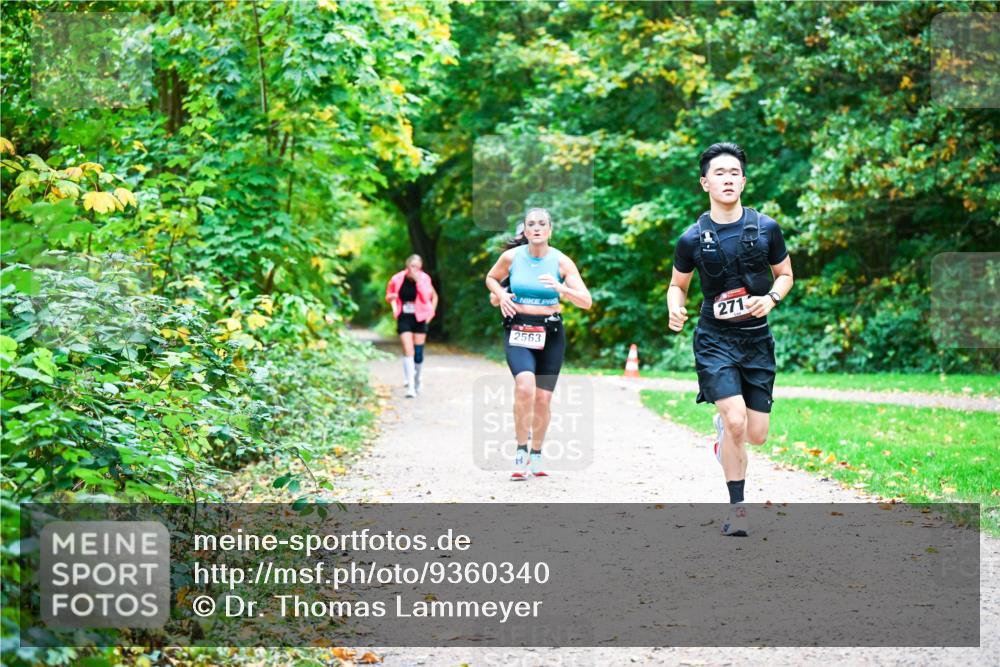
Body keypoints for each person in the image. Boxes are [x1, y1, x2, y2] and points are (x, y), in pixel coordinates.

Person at [667, 142, 794, 536]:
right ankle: (738, 510)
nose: (727, 179)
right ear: (705, 182)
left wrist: (771, 299)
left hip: (757, 342)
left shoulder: (766, 228)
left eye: (734, 173)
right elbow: (678, 285)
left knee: (755, 434)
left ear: (743, 180)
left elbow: (785, 276)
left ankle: (727, 436)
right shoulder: (691, 238)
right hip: (714, 341)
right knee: (736, 420)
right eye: (719, 173)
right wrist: (675, 306)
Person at [485, 208, 592, 481]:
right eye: (531, 224)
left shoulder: (561, 262)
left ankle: (536, 452)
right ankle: (520, 450)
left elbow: (586, 301)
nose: (536, 228)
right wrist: (502, 295)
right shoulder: (511, 258)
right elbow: (491, 278)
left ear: (550, 230)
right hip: (518, 330)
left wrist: (563, 290)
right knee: (524, 387)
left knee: (543, 399)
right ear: (525, 229)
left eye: (542, 224)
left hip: (551, 333)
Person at [386, 255, 438, 398]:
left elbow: (428, 297)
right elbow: (389, 294)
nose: (415, 269)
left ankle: (417, 379)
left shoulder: (424, 278)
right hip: (404, 317)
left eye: (418, 267)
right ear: (407, 265)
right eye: (413, 266)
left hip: (420, 316)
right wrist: (392, 299)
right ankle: (410, 387)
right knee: (408, 350)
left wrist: (418, 282)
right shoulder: (397, 278)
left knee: (418, 353)